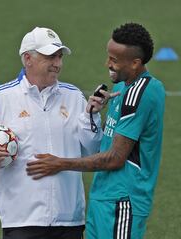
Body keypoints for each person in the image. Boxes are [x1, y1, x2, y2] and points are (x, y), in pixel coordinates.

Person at [0, 26, 102, 239]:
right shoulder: (0, 98)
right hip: (21, 222)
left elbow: (92, 149)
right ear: (28, 58)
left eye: (59, 57)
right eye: (50, 57)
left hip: (70, 221)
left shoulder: (73, 96)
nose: (57, 64)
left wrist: (91, 117)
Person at [26, 22, 165, 239]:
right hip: (103, 197)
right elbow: (105, 143)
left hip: (123, 202)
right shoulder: (121, 88)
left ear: (135, 63)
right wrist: (93, 114)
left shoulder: (141, 93)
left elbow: (115, 158)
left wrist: (60, 163)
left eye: (114, 60)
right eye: (108, 56)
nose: (107, 64)